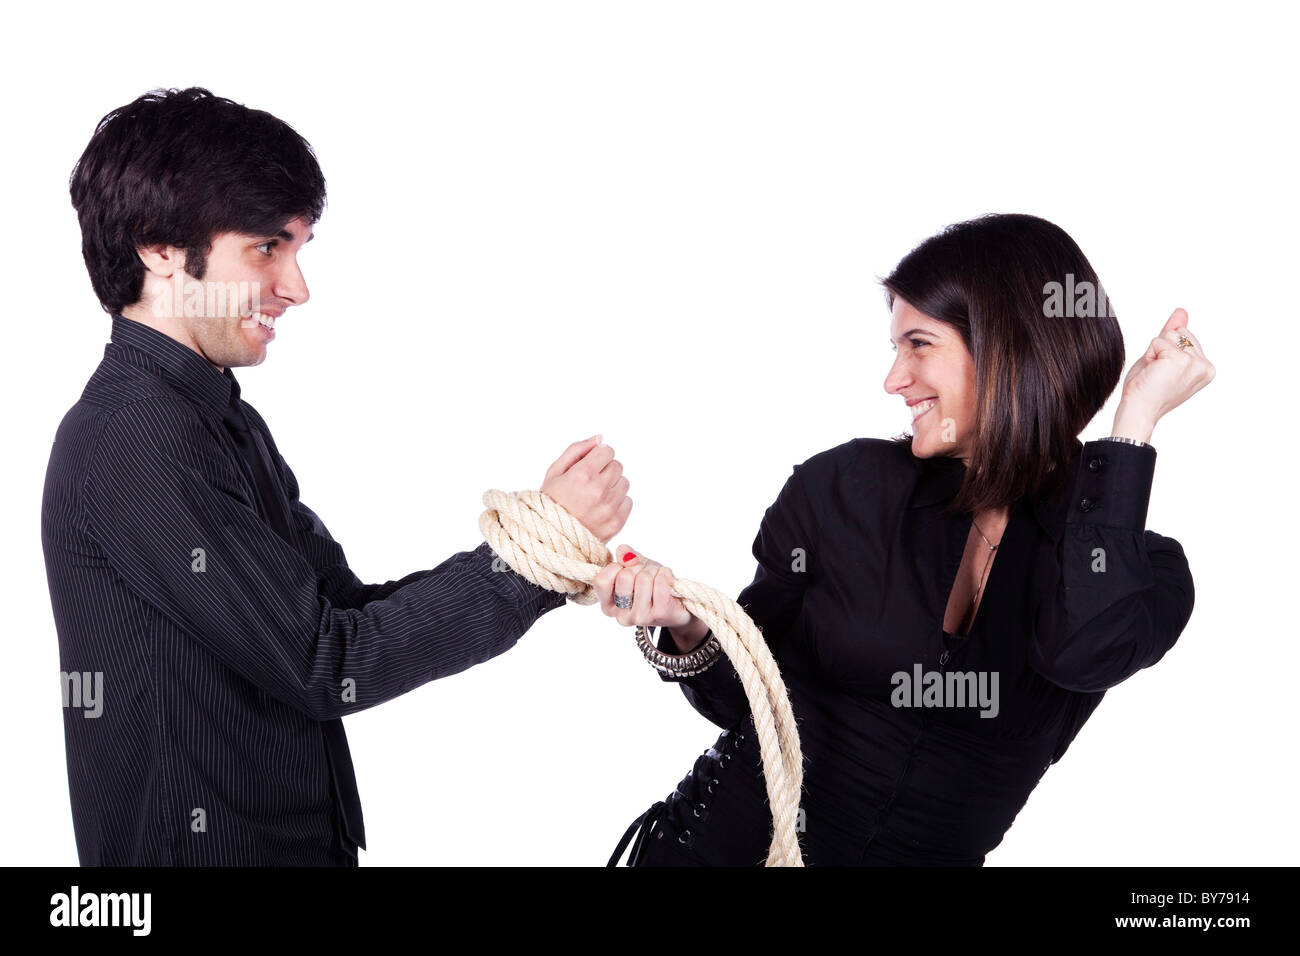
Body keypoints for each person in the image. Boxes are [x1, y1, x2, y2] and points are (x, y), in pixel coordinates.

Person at [42, 87, 631, 866]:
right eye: (265, 249)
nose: (297, 286)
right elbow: (325, 662)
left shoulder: (220, 421)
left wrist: (551, 558)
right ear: (157, 247)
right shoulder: (137, 439)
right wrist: (528, 563)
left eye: (300, 249)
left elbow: (339, 614)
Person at [596, 213, 1214, 866]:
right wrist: (686, 622)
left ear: (1009, 348)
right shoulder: (843, 487)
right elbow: (745, 697)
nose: (894, 379)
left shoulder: (1142, 574)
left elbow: (1083, 650)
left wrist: (1133, 425)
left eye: (919, 345)